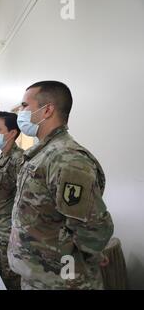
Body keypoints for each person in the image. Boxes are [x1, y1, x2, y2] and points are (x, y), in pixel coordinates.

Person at [8, 81, 114, 289]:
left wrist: (85, 256)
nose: (20, 112)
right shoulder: (43, 154)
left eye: (24, 106)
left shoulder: (66, 158)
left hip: (61, 282)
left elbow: (95, 229)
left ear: (46, 110)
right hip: (39, 277)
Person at [0, 111, 23, 290]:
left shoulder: (19, 160)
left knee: (10, 283)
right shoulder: (3, 156)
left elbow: (24, 200)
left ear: (11, 133)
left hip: (9, 235)